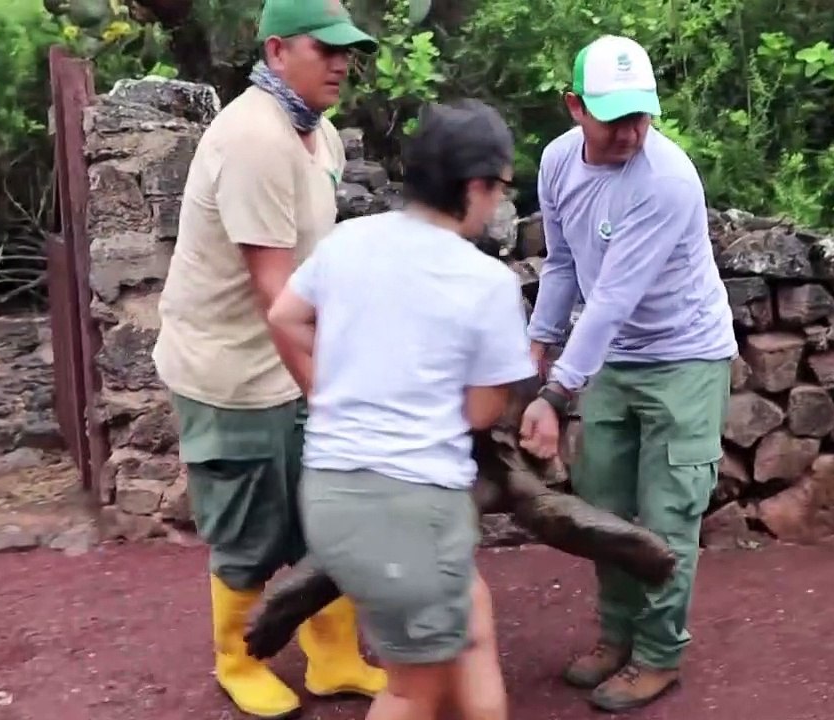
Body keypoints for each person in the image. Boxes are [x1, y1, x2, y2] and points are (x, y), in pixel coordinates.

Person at [150, 0, 386, 716]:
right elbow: (275, 291)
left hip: (287, 362)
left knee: (328, 519)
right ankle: (240, 658)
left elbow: (317, 265)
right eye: (327, 49)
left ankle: (333, 656)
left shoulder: (320, 139)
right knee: (248, 529)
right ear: (278, 51)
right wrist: (333, 395)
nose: (344, 62)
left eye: (351, 50)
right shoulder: (253, 139)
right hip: (232, 374)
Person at [266, 98, 534, 720]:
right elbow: (477, 413)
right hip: (413, 509)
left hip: (333, 496)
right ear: (474, 185)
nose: (497, 203)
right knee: (413, 690)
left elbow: (285, 316)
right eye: (498, 188)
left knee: (472, 627)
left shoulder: (348, 241)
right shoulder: (486, 283)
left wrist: (333, 389)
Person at [518, 34, 739, 713]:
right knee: (604, 507)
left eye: (642, 114)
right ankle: (615, 638)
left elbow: (613, 298)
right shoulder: (558, 161)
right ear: (575, 107)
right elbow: (561, 265)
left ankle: (658, 655)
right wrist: (538, 349)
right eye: (616, 117)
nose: (633, 131)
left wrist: (556, 392)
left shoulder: (666, 179)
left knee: (668, 517)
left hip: (686, 358)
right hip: (614, 361)